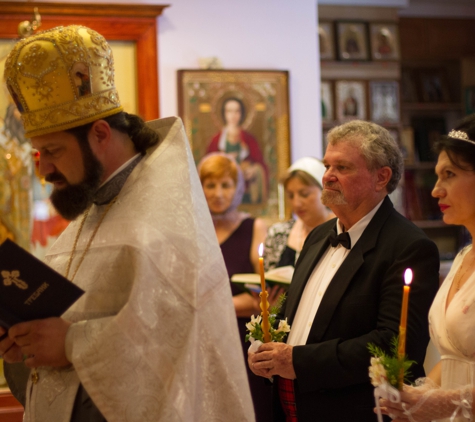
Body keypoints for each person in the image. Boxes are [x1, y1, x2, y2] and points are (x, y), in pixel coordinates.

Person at [0, 25, 254, 422]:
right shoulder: (93, 208)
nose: (44, 169)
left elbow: (179, 338)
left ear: (100, 133)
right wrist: (27, 340)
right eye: (38, 153)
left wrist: (70, 344)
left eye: (52, 151)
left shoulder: (164, 218)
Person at [248, 119, 440, 421]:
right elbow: (297, 314)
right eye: (327, 166)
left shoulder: (410, 247)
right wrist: (264, 348)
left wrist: (296, 361)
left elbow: (393, 346)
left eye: (343, 168)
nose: (328, 177)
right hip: (290, 409)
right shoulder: (317, 236)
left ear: (381, 177)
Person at [380, 116, 475, 421]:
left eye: (449, 174)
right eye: (437, 176)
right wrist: (416, 396)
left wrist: (444, 403)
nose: (435, 190)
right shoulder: (463, 257)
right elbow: (452, 359)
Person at [198, 152, 280, 422]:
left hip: (241, 341)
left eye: (226, 185)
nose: (218, 193)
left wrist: (210, 306)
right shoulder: (194, 229)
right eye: (210, 185)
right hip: (202, 339)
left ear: (239, 188)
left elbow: (265, 298)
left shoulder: (255, 227)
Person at [264, 157, 334, 271]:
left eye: (304, 194)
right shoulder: (278, 233)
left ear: (324, 190)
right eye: (291, 196)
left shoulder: (341, 231)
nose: (296, 203)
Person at [207, 97, 268, 204]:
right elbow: (206, 170)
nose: (233, 115)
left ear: (242, 114)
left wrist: (254, 171)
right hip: (222, 196)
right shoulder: (216, 141)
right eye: (229, 111)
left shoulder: (250, 140)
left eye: (237, 111)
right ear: (224, 114)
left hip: (246, 194)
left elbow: (261, 165)